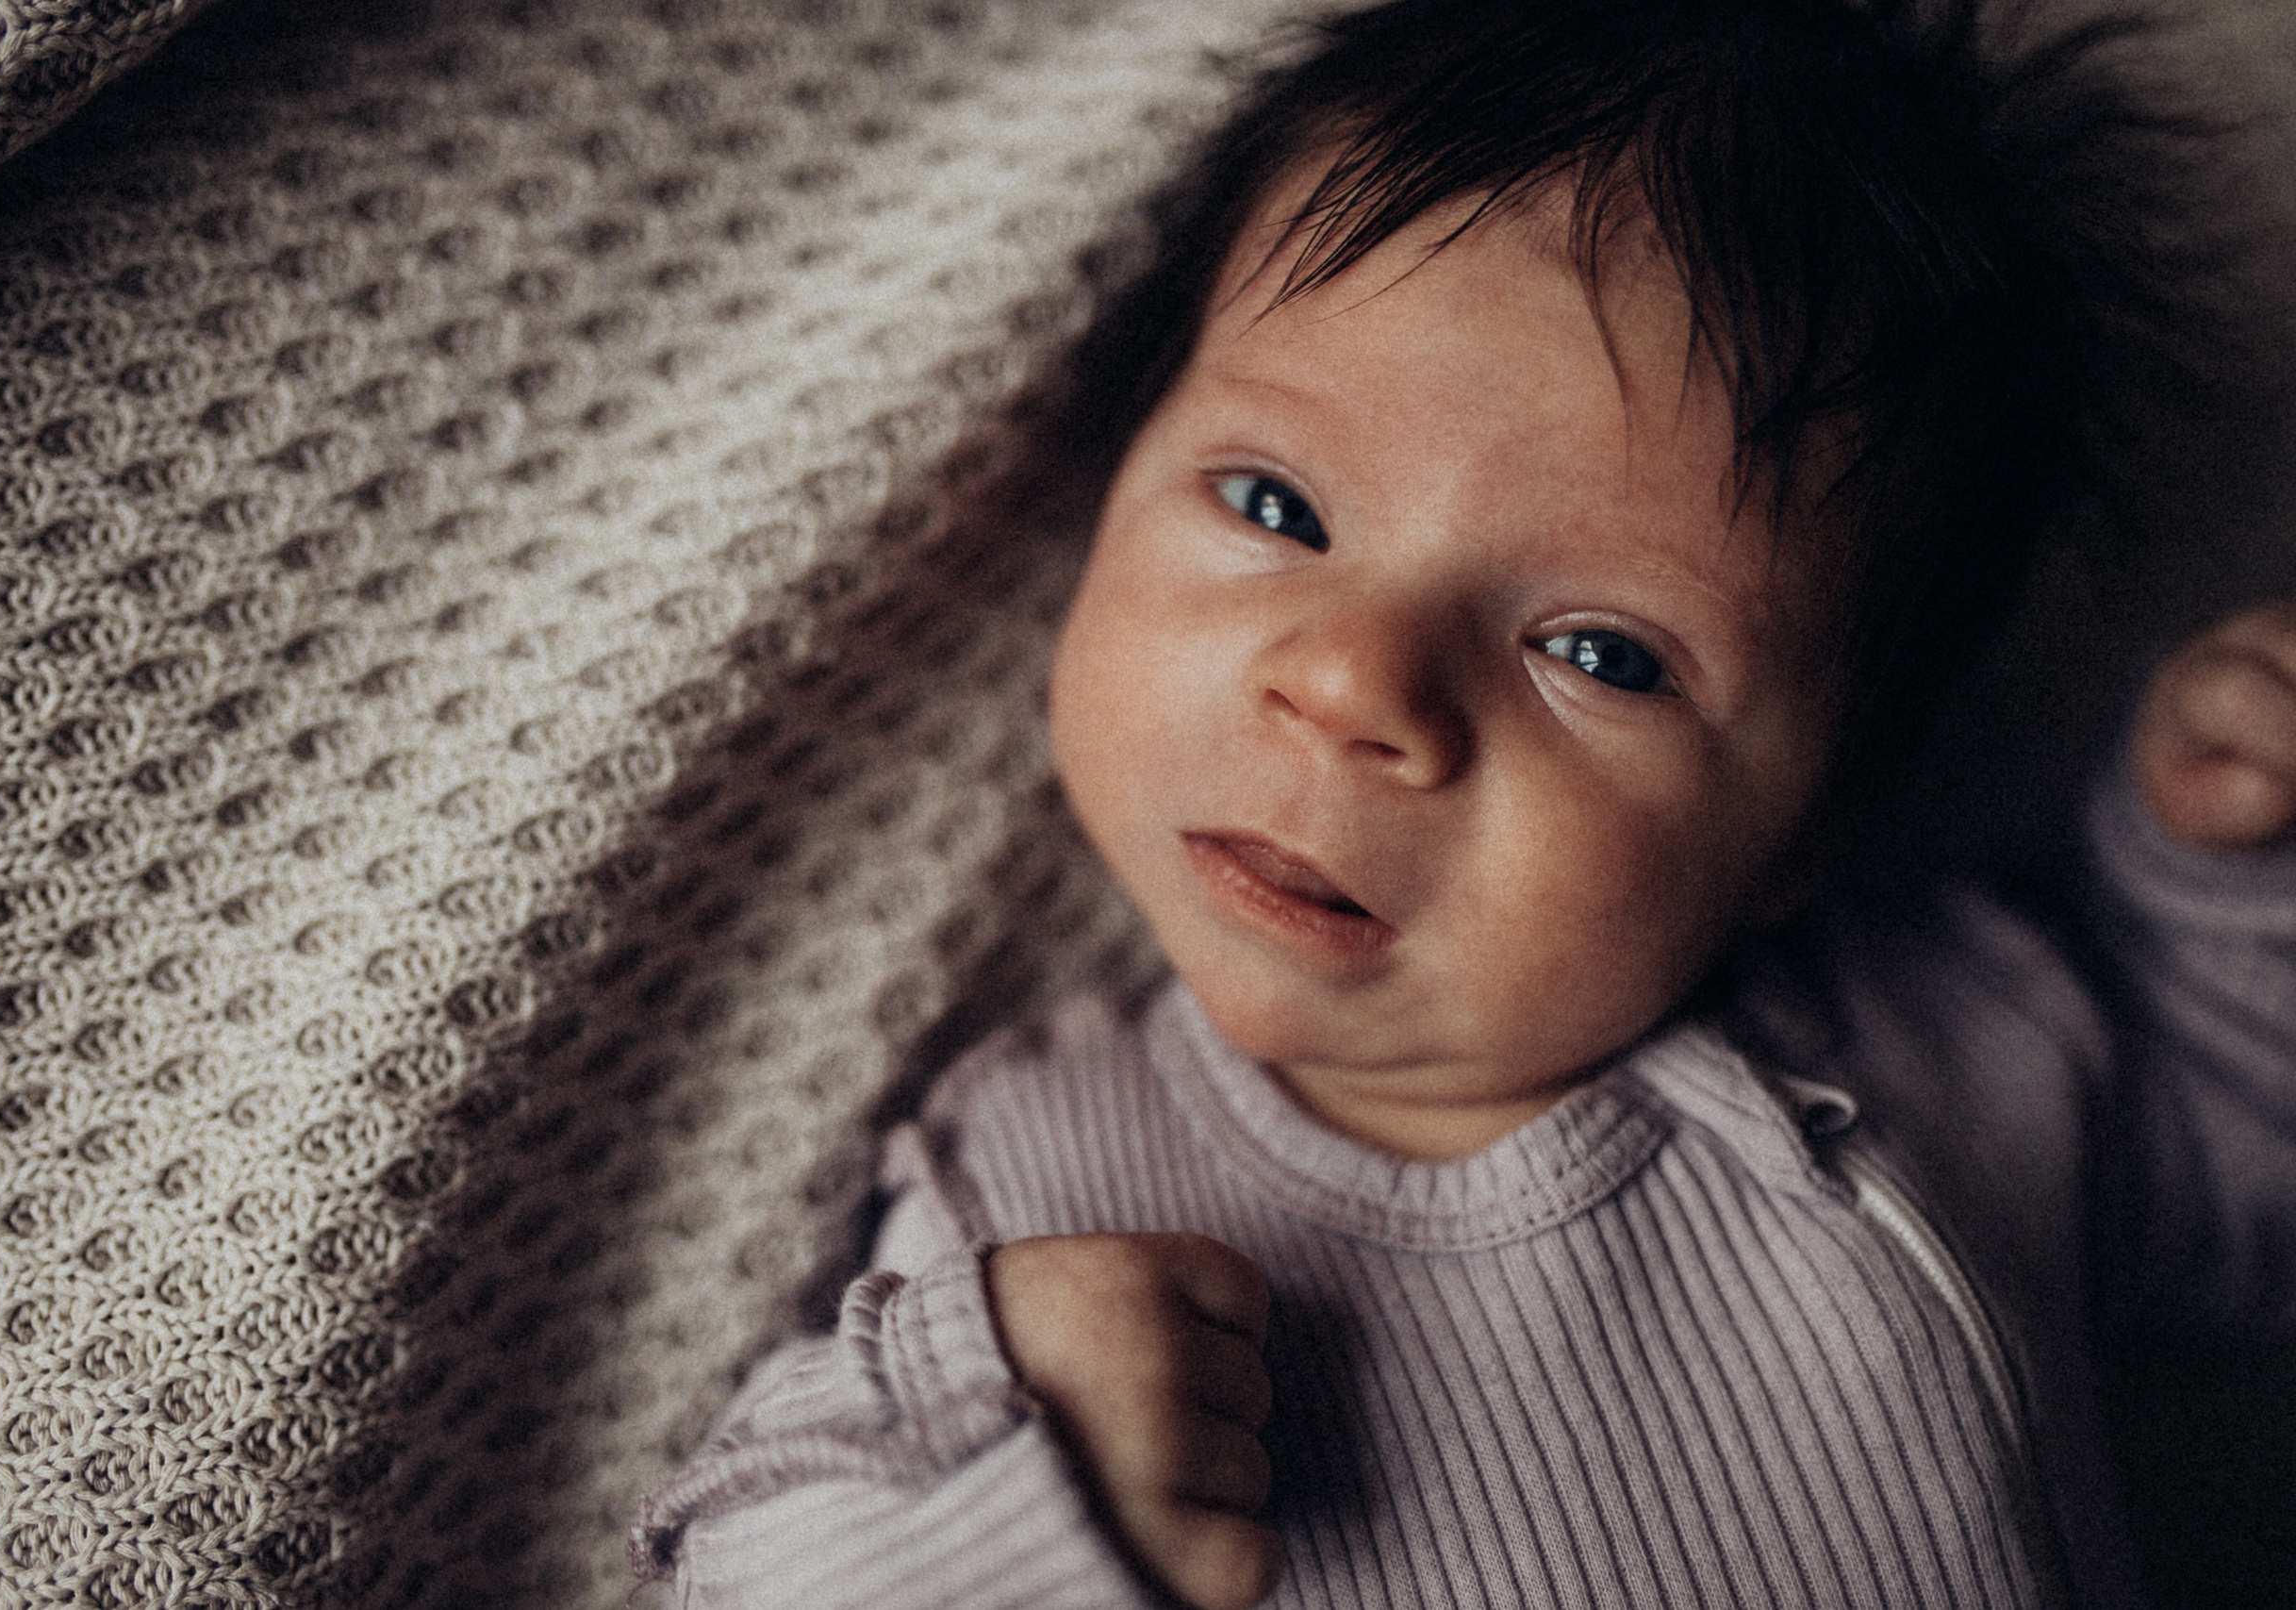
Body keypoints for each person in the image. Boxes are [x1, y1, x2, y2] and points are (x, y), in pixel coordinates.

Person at [634, 1, 2296, 1604]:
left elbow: (2252, 1197)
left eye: (1600, 651)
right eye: (1276, 502)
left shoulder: (1958, 1031)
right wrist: (986, 1465)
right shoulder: (1041, 1191)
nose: (1355, 685)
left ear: (1815, 825)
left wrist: (2224, 876)